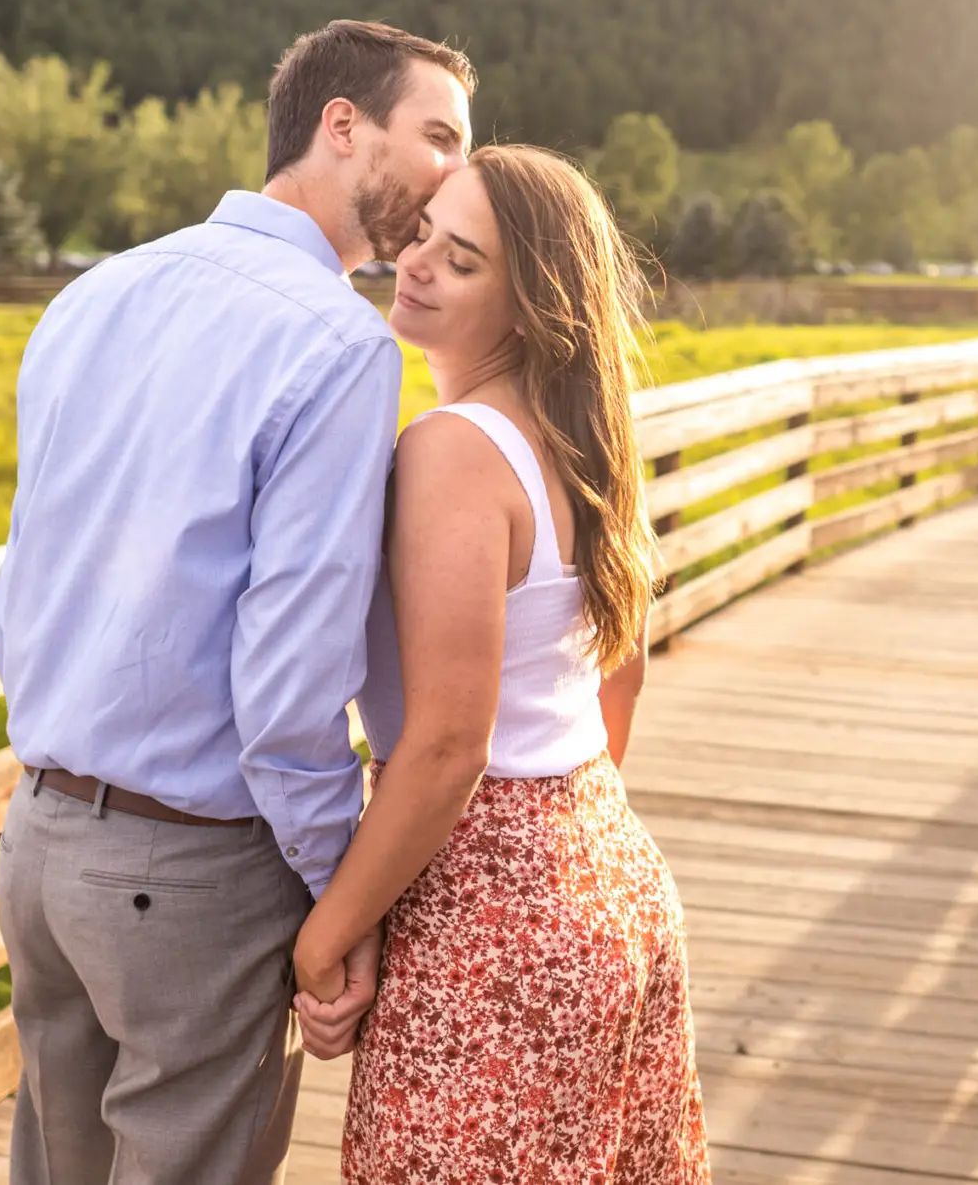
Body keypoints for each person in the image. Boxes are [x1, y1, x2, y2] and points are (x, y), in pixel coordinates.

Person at [0, 20, 473, 1185]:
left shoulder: (93, 293)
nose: (456, 170)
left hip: (39, 843)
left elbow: (22, 590)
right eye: (439, 134)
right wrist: (334, 894)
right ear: (340, 124)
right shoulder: (337, 345)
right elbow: (291, 680)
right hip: (191, 874)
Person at [289, 145, 711, 1182]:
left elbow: (443, 745)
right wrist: (564, 849)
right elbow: (621, 672)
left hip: (491, 927)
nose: (417, 262)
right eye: (424, 231)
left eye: (462, 258)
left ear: (527, 307)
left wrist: (322, 937)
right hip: (608, 870)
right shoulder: (578, 440)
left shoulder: (452, 450)